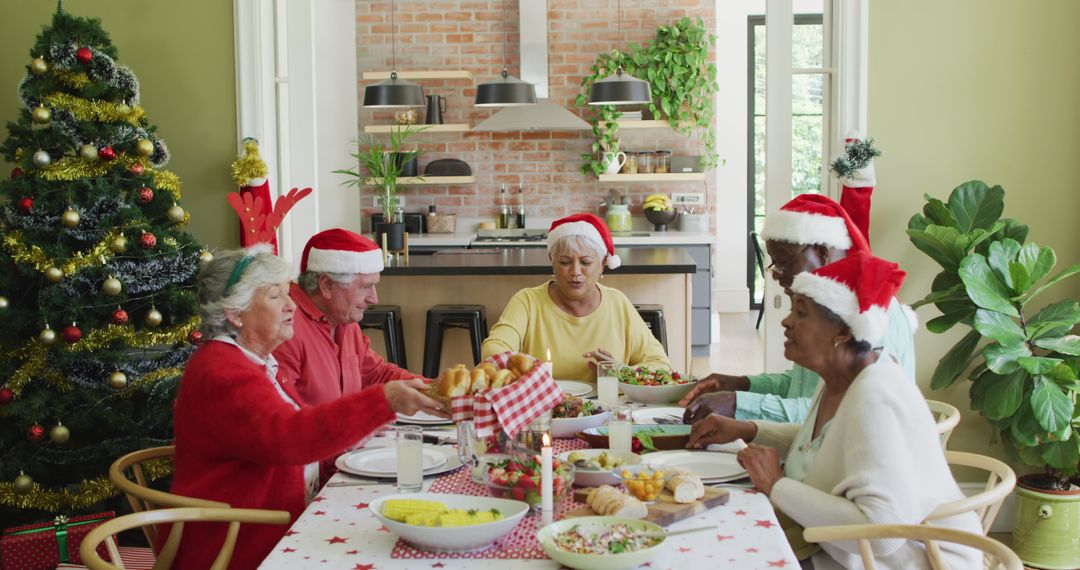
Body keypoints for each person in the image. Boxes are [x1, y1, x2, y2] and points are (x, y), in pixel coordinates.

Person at [688, 251, 981, 569]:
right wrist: (748, 429)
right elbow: (825, 443)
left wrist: (776, 484)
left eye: (801, 313)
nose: (786, 322)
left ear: (844, 332)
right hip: (837, 552)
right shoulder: (841, 377)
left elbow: (881, 534)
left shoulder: (875, 399)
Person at [171, 245, 446, 570]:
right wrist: (383, 400)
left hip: (276, 522)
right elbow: (289, 438)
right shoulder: (222, 372)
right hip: (236, 544)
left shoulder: (254, 362)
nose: (291, 306)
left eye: (288, 294)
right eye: (275, 296)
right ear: (235, 312)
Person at [680, 193, 917, 424]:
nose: (777, 275)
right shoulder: (827, 306)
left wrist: (737, 404)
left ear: (822, 253)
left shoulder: (868, 313)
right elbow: (799, 386)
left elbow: (827, 414)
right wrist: (742, 384)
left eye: (784, 262)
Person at [481, 213, 670, 381]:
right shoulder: (527, 302)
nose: (575, 272)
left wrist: (621, 372)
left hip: (608, 411)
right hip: (543, 411)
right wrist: (529, 372)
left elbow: (660, 365)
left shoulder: (617, 304)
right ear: (552, 262)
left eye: (586, 262)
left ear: (603, 264)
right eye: (564, 262)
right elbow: (494, 349)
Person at [273, 229, 421, 406]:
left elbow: (377, 375)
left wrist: (435, 390)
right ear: (327, 285)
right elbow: (286, 414)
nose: (374, 299)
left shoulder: (343, 319)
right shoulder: (285, 326)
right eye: (366, 287)